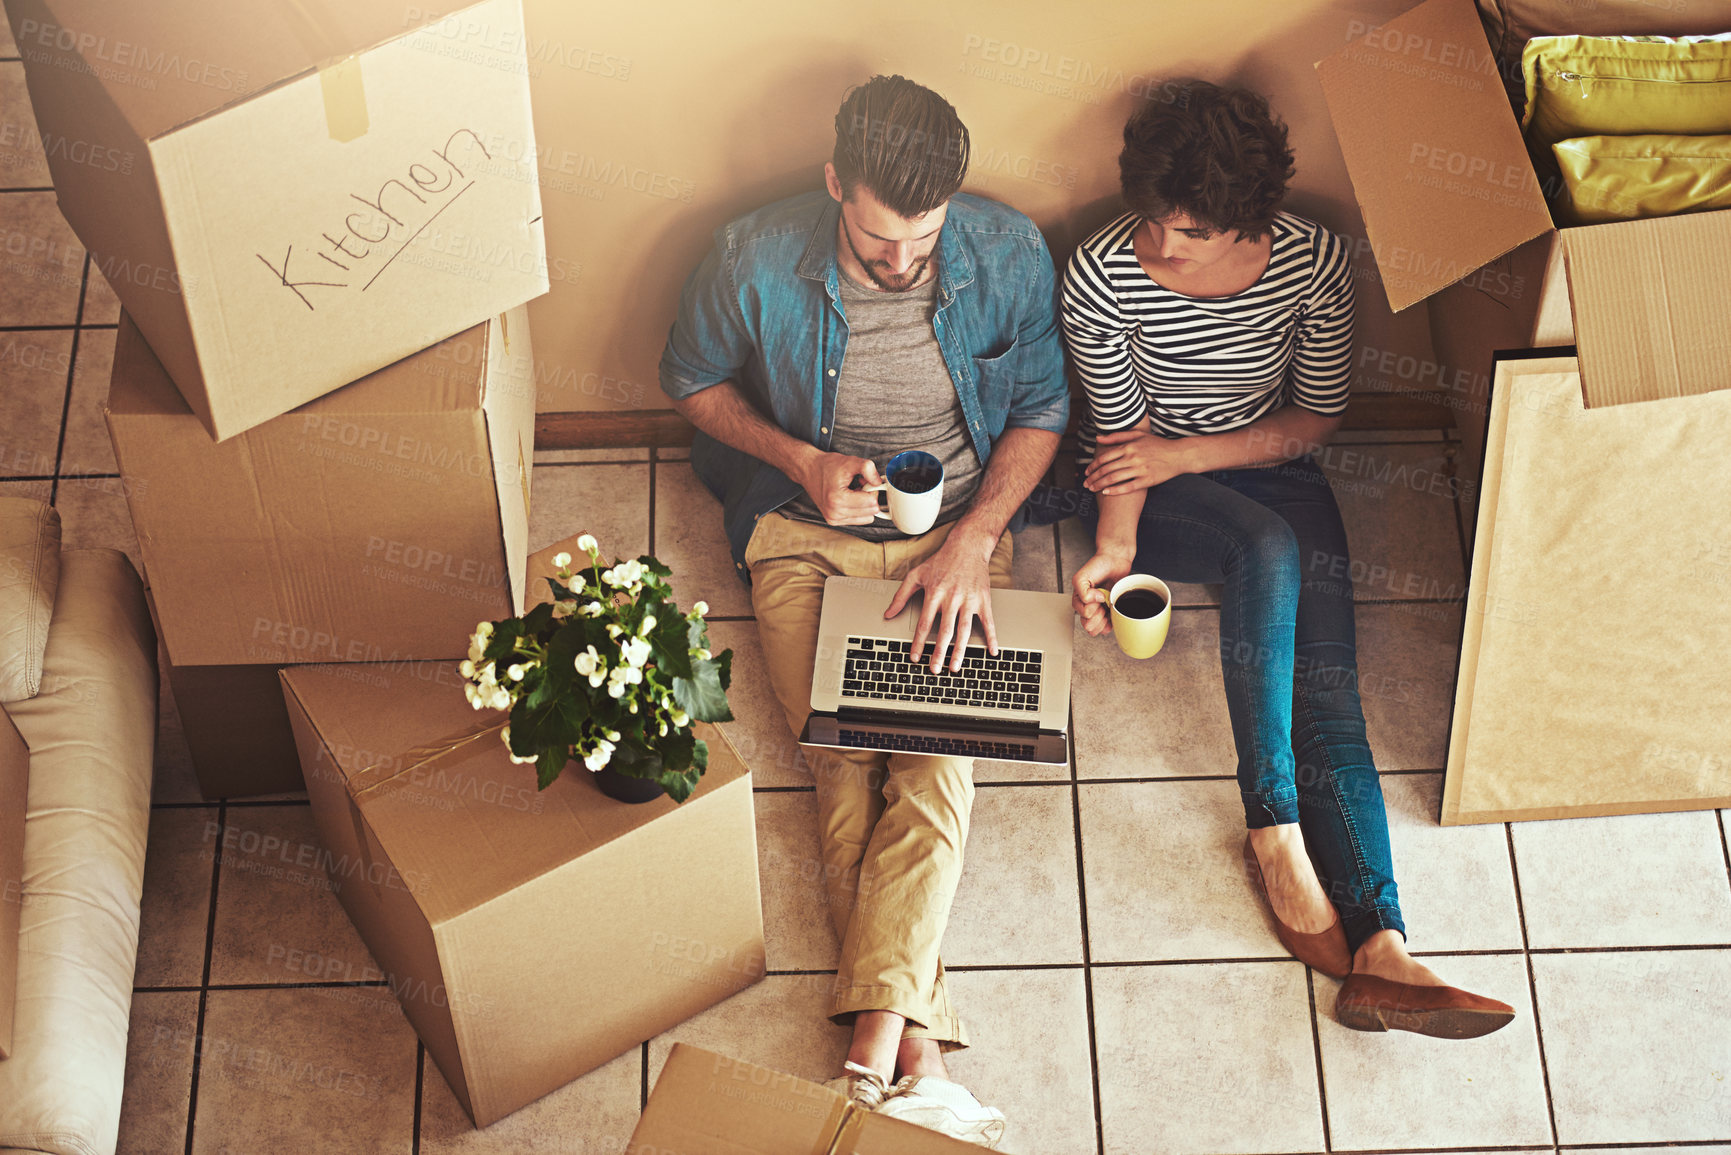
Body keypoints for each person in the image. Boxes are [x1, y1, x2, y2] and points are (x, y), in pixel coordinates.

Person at [659, 75, 1068, 1142]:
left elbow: (1041, 410)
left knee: (933, 759)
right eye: (880, 240)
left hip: (955, 540)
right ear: (835, 181)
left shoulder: (1010, 250)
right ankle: (916, 1057)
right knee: (843, 761)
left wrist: (975, 543)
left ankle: (874, 1059)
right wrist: (800, 457)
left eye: (922, 241)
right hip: (802, 530)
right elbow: (691, 381)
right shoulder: (752, 256)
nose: (902, 263)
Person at [1064, 79, 1514, 1039]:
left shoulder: (1309, 261)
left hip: (1258, 461)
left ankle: (1384, 948)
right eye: (1148, 221)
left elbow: (1312, 418)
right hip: (1147, 479)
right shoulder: (1102, 272)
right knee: (1262, 546)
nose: (1154, 246)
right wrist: (1114, 547)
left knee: (1330, 694)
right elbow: (1122, 439)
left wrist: (1194, 450)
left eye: (1181, 234)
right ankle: (1270, 826)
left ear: (1242, 223)